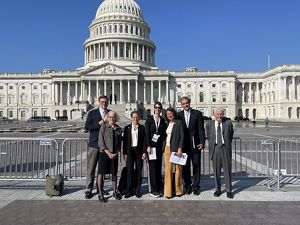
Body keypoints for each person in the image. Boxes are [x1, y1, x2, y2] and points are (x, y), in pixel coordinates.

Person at [178, 96, 205, 195]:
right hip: (184, 145)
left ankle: (196, 186)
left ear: (189, 102)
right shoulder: (179, 115)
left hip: (195, 144)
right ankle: (188, 185)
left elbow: (201, 129)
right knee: (185, 167)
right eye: (183, 103)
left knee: (196, 166)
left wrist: (202, 142)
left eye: (187, 103)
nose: (186, 105)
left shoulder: (197, 113)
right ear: (181, 105)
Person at [84, 95, 110, 199]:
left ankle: (100, 188)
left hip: (105, 145)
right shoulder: (92, 113)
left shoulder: (110, 113)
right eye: (102, 102)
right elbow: (87, 127)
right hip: (94, 144)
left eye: (105, 102)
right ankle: (88, 189)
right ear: (98, 102)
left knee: (102, 169)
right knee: (91, 167)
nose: (104, 103)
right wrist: (99, 123)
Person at [206, 108, 234, 199]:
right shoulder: (209, 124)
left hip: (225, 148)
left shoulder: (228, 123)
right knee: (216, 171)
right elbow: (209, 136)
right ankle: (218, 189)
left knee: (227, 171)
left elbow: (231, 134)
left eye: (221, 114)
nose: (219, 116)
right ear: (214, 115)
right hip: (215, 149)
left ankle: (229, 190)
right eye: (217, 114)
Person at [97, 111, 122, 203]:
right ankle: (100, 193)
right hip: (104, 154)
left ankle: (115, 191)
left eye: (113, 117)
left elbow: (120, 142)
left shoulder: (118, 128)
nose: (111, 118)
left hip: (114, 154)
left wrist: (116, 153)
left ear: (115, 118)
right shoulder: (103, 127)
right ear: (107, 118)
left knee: (114, 173)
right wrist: (108, 152)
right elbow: (100, 142)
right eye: (110, 117)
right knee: (101, 173)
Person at [145, 101, 167, 197]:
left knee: (158, 168)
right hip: (151, 147)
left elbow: (163, 134)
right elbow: (146, 133)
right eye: (156, 107)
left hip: (158, 148)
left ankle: (158, 187)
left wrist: (162, 145)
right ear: (154, 108)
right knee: (152, 168)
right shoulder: (149, 119)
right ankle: (153, 190)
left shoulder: (162, 120)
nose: (158, 109)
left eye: (159, 108)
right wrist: (148, 146)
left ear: (161, 109)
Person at [123, 111, 147, 198]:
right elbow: (125, 142)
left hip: (139, 152)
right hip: (130, 152)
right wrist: (124, 153)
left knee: (138, 172)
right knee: (129, 171)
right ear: (131, 118)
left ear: (139, 118)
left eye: (137, 117)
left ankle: (137, 190)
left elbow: (144, 141)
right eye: (133, 117)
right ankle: (129, 190)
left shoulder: (142, 128)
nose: (135, 119)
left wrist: (144, 152)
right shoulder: (127, 128)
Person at [164, 107, 185, 199]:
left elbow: (182, 136)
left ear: (174, 113)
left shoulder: (179, 122)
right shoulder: (167, 123)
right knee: (168, 170)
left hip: (176, 149)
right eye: (168, 114)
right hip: (167, 148)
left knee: (178, 170)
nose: (169, 115)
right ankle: (168, 192)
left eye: (171, 113)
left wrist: (180, 148)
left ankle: (178, 190)